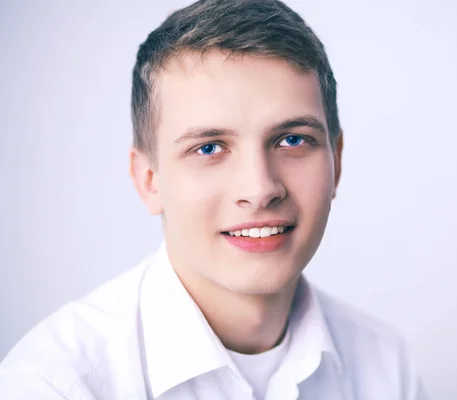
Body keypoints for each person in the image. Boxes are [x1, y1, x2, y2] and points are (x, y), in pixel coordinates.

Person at [0, 0, 429, 398]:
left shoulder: (386, 366)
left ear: (336, 161)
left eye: (292, 139)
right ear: (149, 181)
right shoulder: (56, 382)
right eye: (209, 148)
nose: (260, 189)